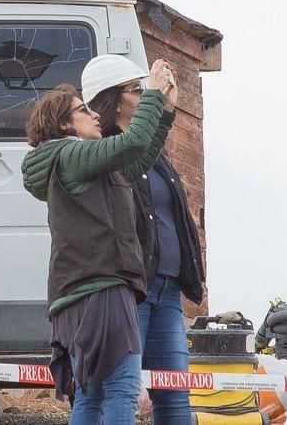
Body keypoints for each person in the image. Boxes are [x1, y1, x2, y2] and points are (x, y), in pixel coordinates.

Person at [21, 58, 175, 425]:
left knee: (90, 396)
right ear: (62, 124)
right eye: (82, 110)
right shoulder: (71, 154)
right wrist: (152, 93)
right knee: (122, 388)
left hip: (79, 292)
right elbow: (131, 142)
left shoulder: (80, 163)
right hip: (101, 288)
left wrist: (163, 114)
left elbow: (136, 159)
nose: (93, 115)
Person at [83, 54, 205, 425]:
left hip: (167, 288)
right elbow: (133, 152)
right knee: (117, 391)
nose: (144, 94)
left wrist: (164, 111)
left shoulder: (150, 150)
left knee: (175, 396)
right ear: (114, 99)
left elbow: (147, 146)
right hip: (130, 289)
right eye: (138, 90)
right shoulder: (105, 152)